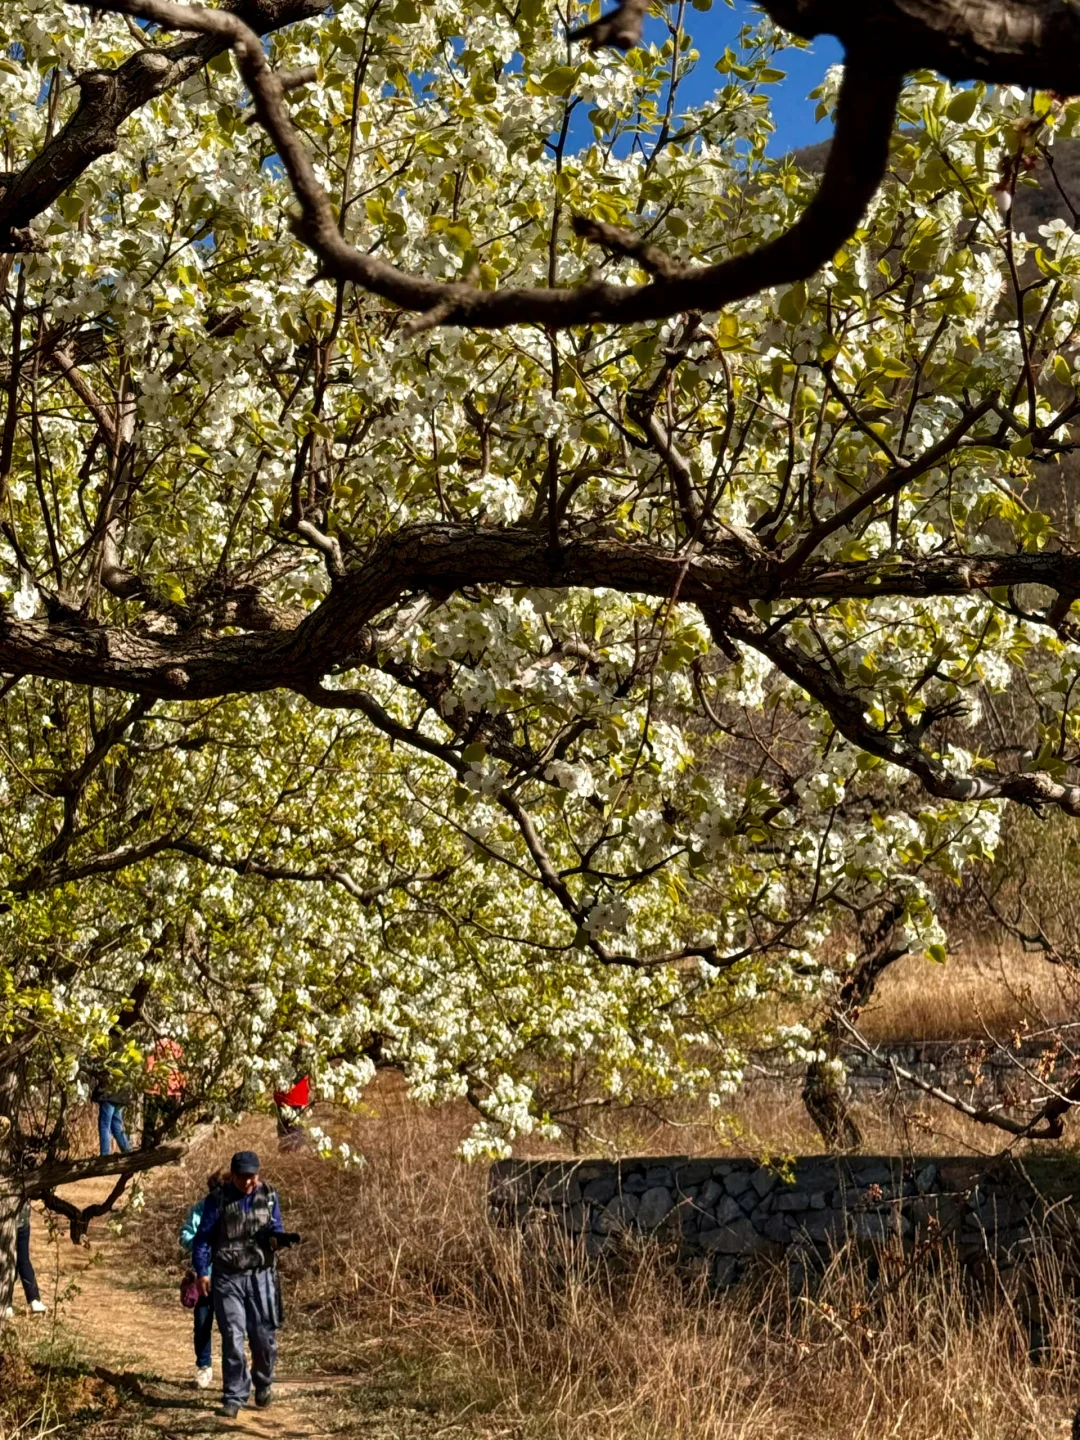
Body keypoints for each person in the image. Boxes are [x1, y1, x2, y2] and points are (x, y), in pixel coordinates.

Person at [192, 1151, 285, 1419]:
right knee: (233, 1336)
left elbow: (276, 1226)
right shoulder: (218, 1199)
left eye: (253, 1176)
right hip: (227, 1277)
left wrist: (278, 1239)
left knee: (263, 1337)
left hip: (261, 1277)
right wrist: (202, 1271)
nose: (248, 1182)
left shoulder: (268, 1195)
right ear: (233, 1175)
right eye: (243, 1177)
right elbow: (203, 1239)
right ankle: (234, 1395)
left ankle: (263, 1382)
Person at [180, 1172, 223, 1389]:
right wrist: (202, 1241)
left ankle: (233, 1369)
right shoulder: (201, 1208)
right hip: (203, 1280)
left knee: (231, 1327)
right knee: (202, 1324)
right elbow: (186, 1236)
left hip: (228, 1280)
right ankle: (204, 1366)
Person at [2, 1203, 47, 1318]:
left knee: (16, 1260)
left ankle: (12, 1302)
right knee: (15, 1260)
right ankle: (29, 1300)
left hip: (15, 1221)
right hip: (15, 1219)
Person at [92, 1073, 132, 1156]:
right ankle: (128, 1152)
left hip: (109, 1096)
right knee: (117, 1127)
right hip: (121, 1097)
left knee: (105, 1126)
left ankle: (105, 1155)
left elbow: (98, 1071)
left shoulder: (107, 1062)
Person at [272, 1073, 311, 1152]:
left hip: (296, 1099)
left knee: (294, 1138)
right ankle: (287, 1154)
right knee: (285, 1138)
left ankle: (291, 1155)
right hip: (285, 1099)